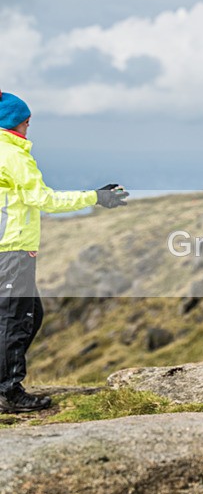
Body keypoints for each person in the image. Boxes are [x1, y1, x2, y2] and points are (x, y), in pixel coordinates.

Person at [0, 90, 129, 413]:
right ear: (13, 123)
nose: (29, 128)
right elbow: (44, 199)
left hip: (8, 247)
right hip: (12, 249)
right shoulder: (12, 155)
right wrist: (95, 197)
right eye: (26, 122)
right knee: (15, 321)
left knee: (29, 314)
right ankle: (8, 392)